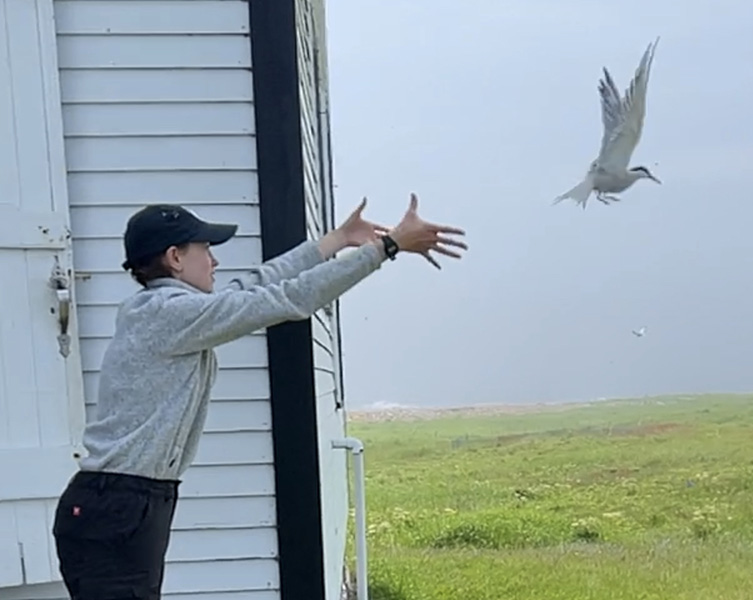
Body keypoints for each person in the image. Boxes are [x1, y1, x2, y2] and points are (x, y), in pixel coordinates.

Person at [50, 193, 467, 600]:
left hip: (125, 506)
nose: (214, 261)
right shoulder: (167, 314)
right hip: (117, 508)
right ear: (175, 257)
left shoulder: (170, 308)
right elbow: (287, 298)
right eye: (206, 250)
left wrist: (336, 241)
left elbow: (256, 283)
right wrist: (386, 247)